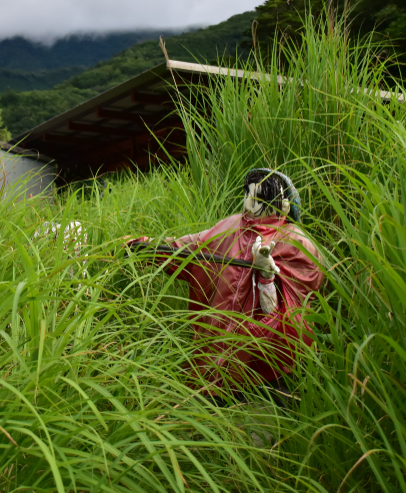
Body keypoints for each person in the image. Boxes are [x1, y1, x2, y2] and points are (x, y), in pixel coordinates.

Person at [129, 168, 324, 401]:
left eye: (259, 198)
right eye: (248, 195)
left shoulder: (296, 244)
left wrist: (266, 274)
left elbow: (286, 314)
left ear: (282, 205)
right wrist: (145, 247)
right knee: (211, 417)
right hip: (215, 350)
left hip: (268, 370)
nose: (250, 203)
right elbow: (187, 248)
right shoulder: (228, 227)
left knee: (261, 425)